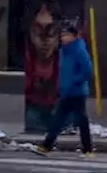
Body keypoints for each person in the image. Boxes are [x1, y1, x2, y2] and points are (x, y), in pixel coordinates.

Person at [33, 23, 95, 157]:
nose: (63, 38)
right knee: (58, 119)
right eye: (62, 35)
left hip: (77, 92)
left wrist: (74, 82)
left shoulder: (79, 50)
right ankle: (47, 145)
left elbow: (88, 71)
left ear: (74, 36)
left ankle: (87, 149)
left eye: (66, 35)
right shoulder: (63, 51)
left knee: (80, 120)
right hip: (66, 91)